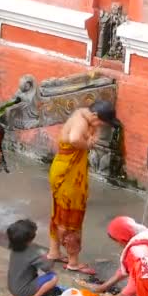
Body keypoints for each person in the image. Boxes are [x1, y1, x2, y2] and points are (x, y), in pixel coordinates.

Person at [46, 100, 120, 275]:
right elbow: (74, 139)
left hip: (63, 169)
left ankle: (54, 252)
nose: (102, 126)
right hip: (68, 175)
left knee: (59, 213)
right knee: (71, 218)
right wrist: (88, 144)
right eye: (102, 122)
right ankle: (73, 262)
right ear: (95, 116)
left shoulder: (82, 114)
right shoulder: (81, 120)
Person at [7, 219, 60, 296]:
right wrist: (49, 256)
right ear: (30, 238)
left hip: (12, 287)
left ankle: (28, 295)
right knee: (53, 277)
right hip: (22, 291)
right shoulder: (32, 252)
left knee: (41, 277)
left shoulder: (14, 247)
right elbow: (47, 267)